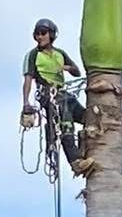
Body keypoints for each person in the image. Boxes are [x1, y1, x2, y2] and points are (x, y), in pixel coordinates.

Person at [20, 19, 85, 169]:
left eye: (43, 33)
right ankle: (75, 161)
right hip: (48, 94)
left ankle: (85, 146)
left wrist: (66, 67)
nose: (40, 37)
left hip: (64, 93)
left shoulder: (60, 53)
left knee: (87, 116)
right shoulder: (33, 55)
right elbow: (28, 79)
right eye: (37, 34)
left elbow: (77, 72)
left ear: (51, 35)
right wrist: (26, 103)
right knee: (65, 120)